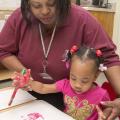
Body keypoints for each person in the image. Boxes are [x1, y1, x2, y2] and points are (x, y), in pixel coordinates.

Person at [0, 0, 120, 119]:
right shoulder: (19, 17)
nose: (45, 11)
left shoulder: (82, 19)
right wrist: (24, 73)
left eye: (52, 4)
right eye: (36, 6)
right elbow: (3, 50)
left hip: (67, 93)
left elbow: (108, 57)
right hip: (28, 90)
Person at [12, 46, 112, 120]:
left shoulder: (101, 94)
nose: (77, 85)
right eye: (73, 78)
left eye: (84, 81)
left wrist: (104, 116)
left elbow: (109, 108)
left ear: (95, 76)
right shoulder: (65, 84)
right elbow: (43, 88)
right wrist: (29, 82)